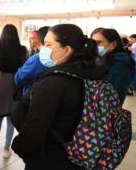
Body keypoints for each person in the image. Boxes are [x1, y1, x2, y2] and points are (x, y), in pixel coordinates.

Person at [11, 24, 107, 170]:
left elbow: (34, 131)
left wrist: (19, 146)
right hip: (81, 155)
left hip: (50, 158)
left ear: (67, 50)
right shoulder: (91, 74)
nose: (43, 49)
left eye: (48, 44)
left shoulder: (52, 83)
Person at [0, 24, 27, 158]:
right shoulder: (22, 50)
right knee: (10, 120)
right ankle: (7, 149)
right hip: (15, 89)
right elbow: (25, 71)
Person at [91, 28, 134, 104]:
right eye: (93, 43)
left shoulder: (120, 65)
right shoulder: (102, 59)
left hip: (105, 110)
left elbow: (110, 97)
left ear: (113, 44)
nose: (95, 46)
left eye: (99, 42)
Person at [15, 26, 49, 94]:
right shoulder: (31, 52)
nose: (30, 41)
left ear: (39, 40)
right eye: (29, 38)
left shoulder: (37, 58)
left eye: (33, 38)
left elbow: (19, 78)